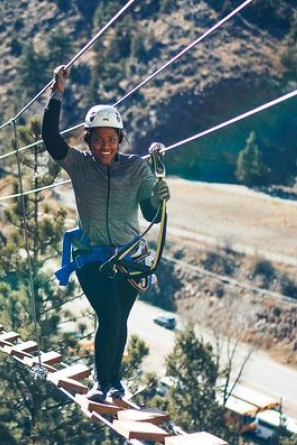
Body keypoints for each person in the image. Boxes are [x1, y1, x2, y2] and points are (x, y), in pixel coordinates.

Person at [41, 65, 170, 402]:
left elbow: (150, 214)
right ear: (88, 140)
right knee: (110, 316)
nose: (105, 146)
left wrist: (158, 196)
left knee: (120, 321)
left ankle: (115, 382)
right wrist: (57, 92)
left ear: (120, 140)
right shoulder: (79, 165)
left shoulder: (137, 168)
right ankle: (102, 382)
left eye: (111, 139)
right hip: (93, 258)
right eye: (98, 139)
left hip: (130, 260)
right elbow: (50, 139)